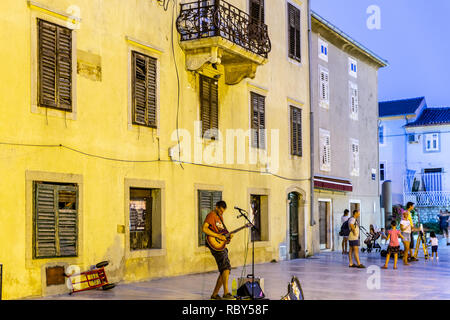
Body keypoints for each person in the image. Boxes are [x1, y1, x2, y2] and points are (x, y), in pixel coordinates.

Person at [202, 200, 235, 300]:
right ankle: (226, 293)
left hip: (221, 245)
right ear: (216, 207)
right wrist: (218, 236)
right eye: (220, 211)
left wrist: (227, 237)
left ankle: (215, 295)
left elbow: (222, 232)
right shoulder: (211, 215)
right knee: (226, 268)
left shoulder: (220, 217)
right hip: (214, 244)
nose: (221, 213)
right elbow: (204, 229)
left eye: (223, 212)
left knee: (226, 269)